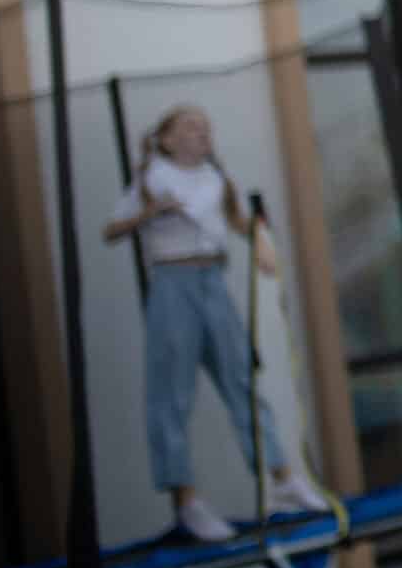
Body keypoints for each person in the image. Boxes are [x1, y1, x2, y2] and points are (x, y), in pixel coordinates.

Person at [105, 104, 328, 542]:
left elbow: (238, 220)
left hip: (213, 281)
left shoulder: (215, 179)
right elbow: (111, 230)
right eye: (191, 127)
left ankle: (281, 476)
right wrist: (149, 213)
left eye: (206, 127)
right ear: (167, 138)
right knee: (172, 393)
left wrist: (260, 239)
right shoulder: (152, 179)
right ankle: (186, 500)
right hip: (173, 282)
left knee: (241, 378)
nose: (202, 133)